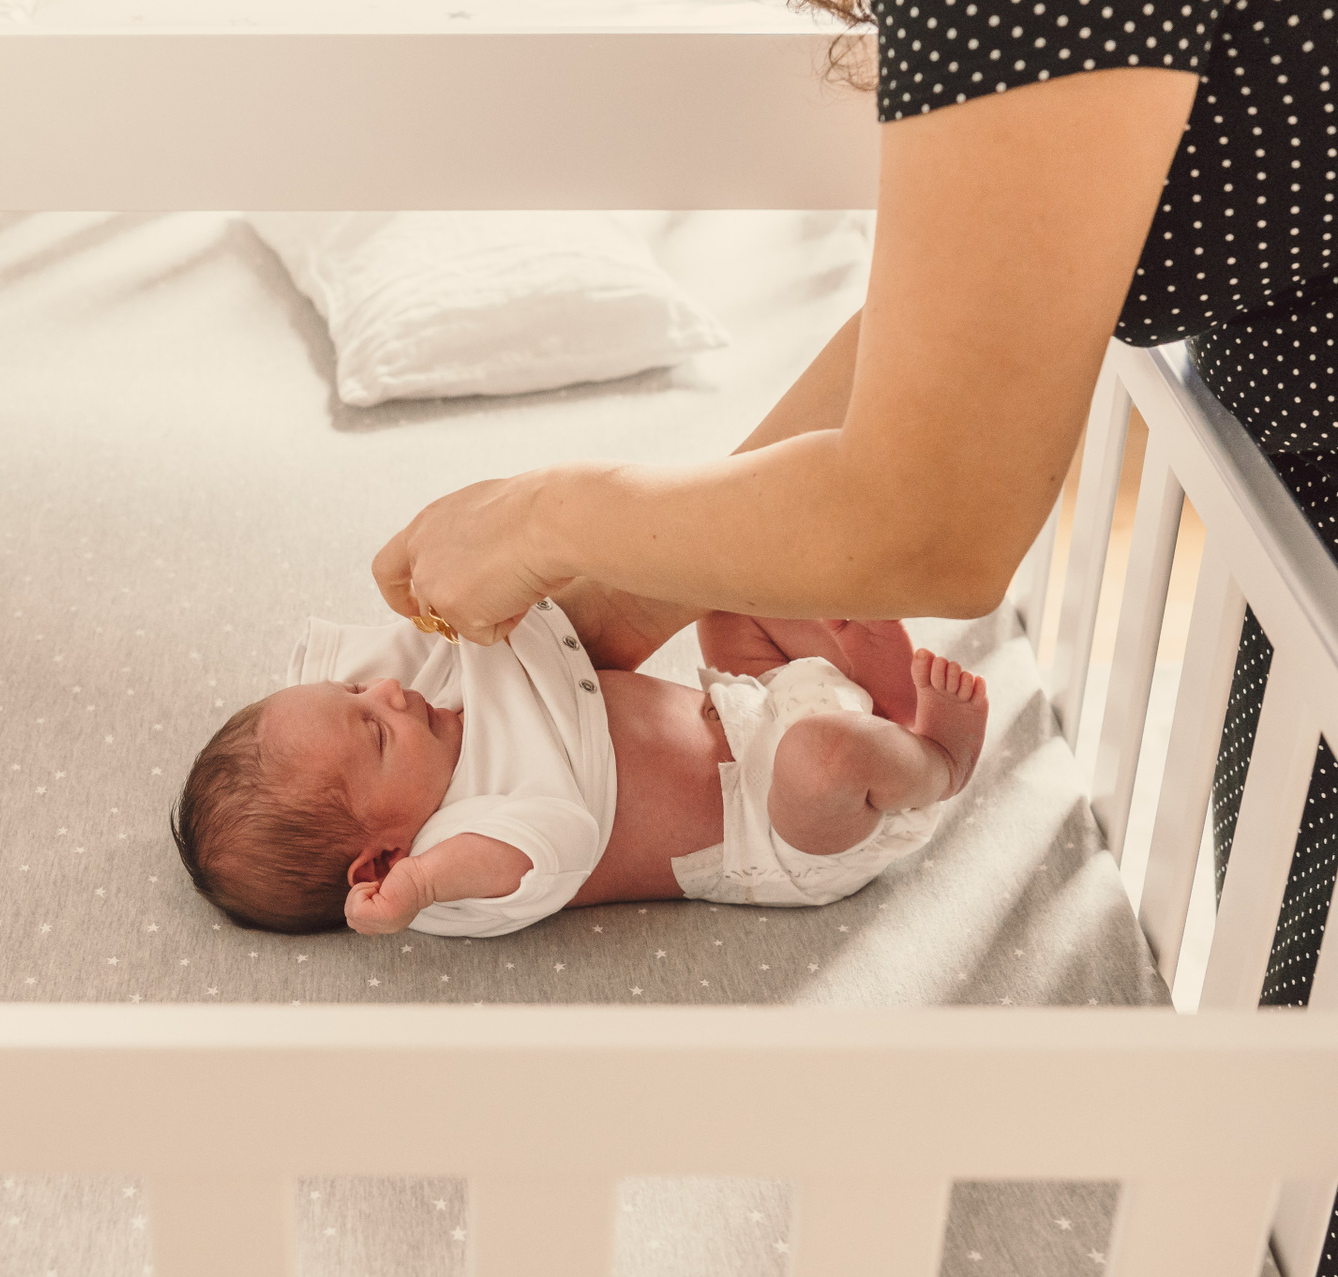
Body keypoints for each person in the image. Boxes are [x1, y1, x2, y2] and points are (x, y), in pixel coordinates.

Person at [375, 1, 1336, 1254]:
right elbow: (976, 318)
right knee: (1298, 1084)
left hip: (1302, 531)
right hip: (1302, 515)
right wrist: (623, 600)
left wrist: (551, 515)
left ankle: (928, 758)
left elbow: (936, 523)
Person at [169, 604, 986, 937]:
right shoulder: (462, 850)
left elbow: (400, 651)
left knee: (726, 594)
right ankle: (937, 760)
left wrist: (340, 697)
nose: (389, 694)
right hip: (784, 827)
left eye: (358, 695)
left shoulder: (431, 709)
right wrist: (417, 886)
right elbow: (558, 840)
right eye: (377, 731)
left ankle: (869, 701)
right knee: (824, 759)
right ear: (382, 858)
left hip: (753, 701)